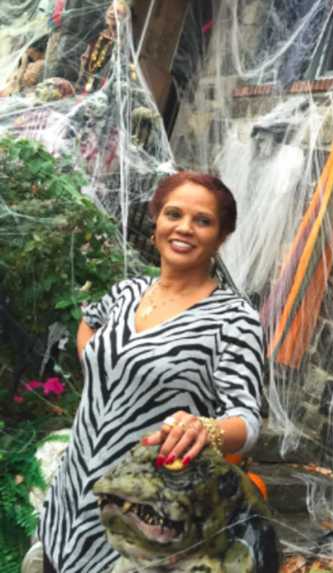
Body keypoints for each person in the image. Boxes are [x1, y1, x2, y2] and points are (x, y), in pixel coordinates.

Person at [38, 171, 265, 573]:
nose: (184, 228)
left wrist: (205, 429)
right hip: (72, 490)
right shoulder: (126, 293)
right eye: (173, 214)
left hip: (142, 515)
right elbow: (88, 320)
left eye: (203, 220)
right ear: (157, 220)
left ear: (222, 236)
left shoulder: (234, 319)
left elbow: (246, 420)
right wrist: (101, 367)